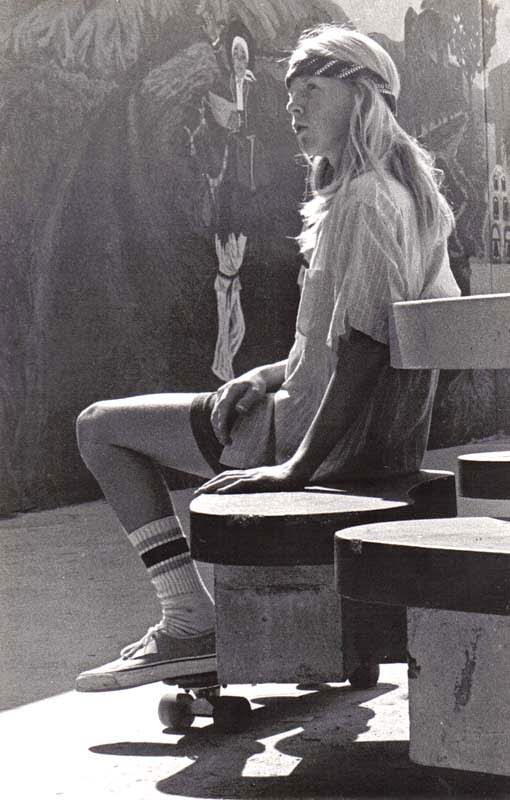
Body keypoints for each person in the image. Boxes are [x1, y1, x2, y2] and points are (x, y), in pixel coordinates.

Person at [75, 24, 460, 691]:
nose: (292, 109)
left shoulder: (365, 201)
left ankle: (187, 619)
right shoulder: (405, 196)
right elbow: (356, 335)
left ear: (363, 97)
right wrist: (264, 372)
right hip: (361, 436)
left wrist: (293, 469)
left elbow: (367, 350)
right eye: (289, 94)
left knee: (100, 428)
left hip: (315, 437)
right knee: (162, 415)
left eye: (312, 90)